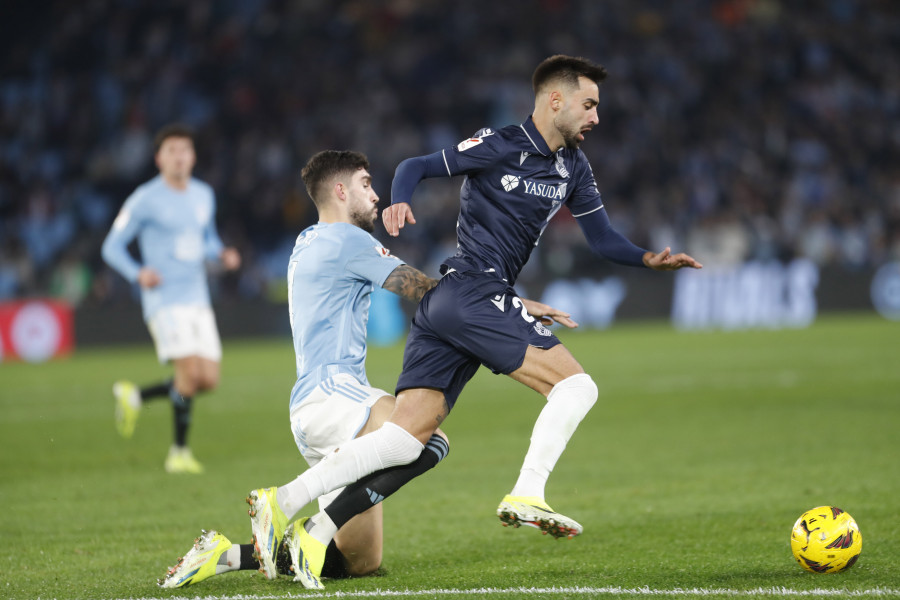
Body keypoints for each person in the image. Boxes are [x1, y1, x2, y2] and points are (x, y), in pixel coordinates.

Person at [245, 54, 702, 589]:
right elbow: (416, 166)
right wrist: (398, 203)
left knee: (404, 442)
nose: (595, 116)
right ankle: (528, 491)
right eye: (589, 103)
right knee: (577, 387)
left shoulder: (573, 167)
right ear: (555, 100)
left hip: (458, 304)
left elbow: (600, 237)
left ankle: (292, 508)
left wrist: (647, 258)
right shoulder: (503, 143)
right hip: (470, 290)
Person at [159, 150, 575, 588]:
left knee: (359, 560)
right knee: (427, 438)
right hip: (336, 395)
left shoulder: (308, 240)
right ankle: (285, 506)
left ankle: (224, 555)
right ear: (340, 191)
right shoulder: (347, 241)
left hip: (316, 413)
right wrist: (506, 306)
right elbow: (428, 292)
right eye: (365, 184)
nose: (376, 196)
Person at [101, 123, 241, 474]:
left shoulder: (203, 194)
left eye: (185, 150)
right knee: (188, 372)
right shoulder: (144, 199)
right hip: (164, 298)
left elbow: (205, 238)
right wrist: (138, 273)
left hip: (198, 296)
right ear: (158, 158)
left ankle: (135, 397)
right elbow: (111, 247)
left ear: (193, 157)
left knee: (207, 379)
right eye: (172, 151)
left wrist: (222, 253)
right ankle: (178, 452)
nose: (179, 157)